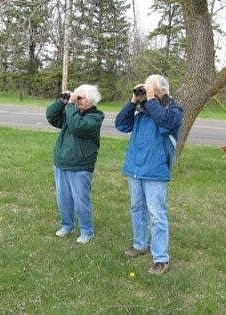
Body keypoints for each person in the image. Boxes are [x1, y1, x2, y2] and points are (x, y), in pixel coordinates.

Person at [115, 74, 183, 275]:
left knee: (156, 214)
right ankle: (139, 244)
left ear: (161, 90)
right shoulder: (141, 109)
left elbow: (165, 121)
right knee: (136, 208)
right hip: (135, 166)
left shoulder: (173, 109)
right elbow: (120, 124)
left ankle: (161, 258)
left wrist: (151, 100)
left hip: (156, 169)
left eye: (149, 88)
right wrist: (133, 101)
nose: (145, 91)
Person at [46, 84, 104, 244]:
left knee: (81, 200)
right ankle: (67, 225)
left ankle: (87, 230)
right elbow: (51, 117)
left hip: (80, 166)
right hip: (62, 163)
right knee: (62, 198)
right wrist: (61, 102)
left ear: (91, 101)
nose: (76, 100)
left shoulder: (95, 117)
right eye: (75, 96)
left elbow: (77, 126)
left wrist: (70, 105)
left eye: (80, 97)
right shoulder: (71, 113)